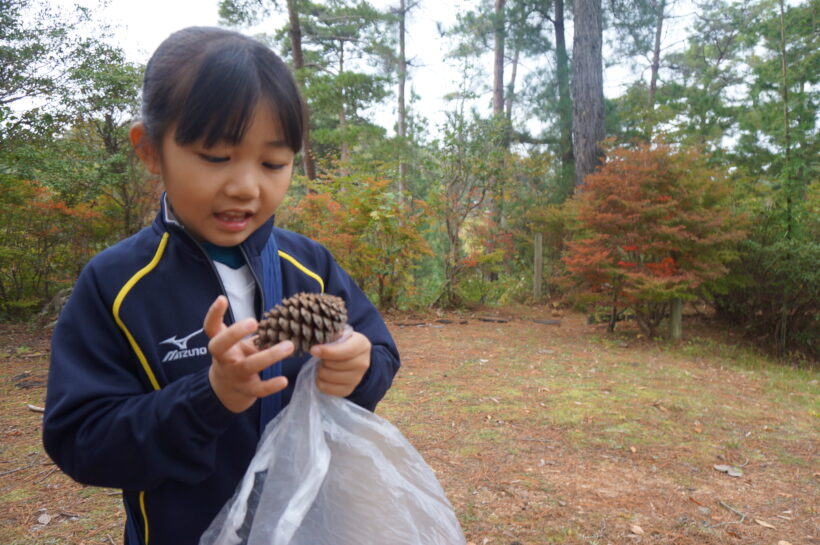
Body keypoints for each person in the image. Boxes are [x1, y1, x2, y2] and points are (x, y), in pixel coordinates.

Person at [42, 26, 400, 545]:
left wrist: (359, 369)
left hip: (310, 527)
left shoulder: (309, 265)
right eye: (215, 157)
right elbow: (80, 438)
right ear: (149, 150)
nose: (246, 185)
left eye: (273, 163)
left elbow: (379, 351)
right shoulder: (117, 285)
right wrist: (209, 397)